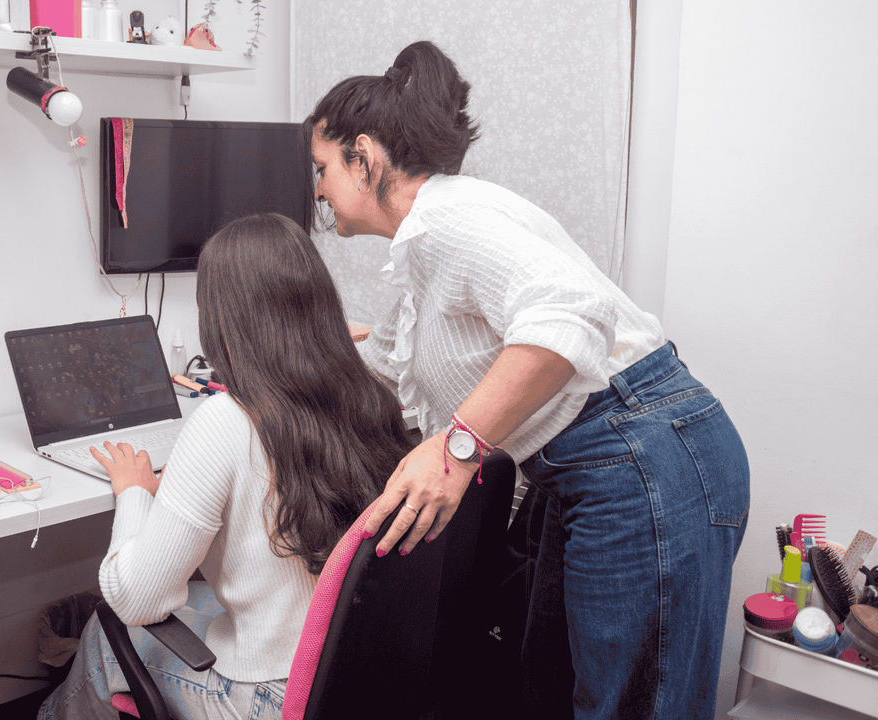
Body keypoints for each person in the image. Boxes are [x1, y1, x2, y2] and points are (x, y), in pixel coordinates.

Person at [305, 40, 750, 719]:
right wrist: (280, 351)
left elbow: (570, 317)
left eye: (323, 168)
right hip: (598, 463)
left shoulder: (447, 222)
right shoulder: (424, 248)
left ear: (363, 157)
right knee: (545, 688)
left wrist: (456, 449)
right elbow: (393, 362)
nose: (317, 190)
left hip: (642, 453)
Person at [37, 213, 413, 720]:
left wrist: (134, 494)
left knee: (105, 634)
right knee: (199, 597)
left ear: (220, 318)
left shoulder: (226, 420)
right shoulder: (370, 395)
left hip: (271, 697)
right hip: (357, 678)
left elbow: (137, 601)